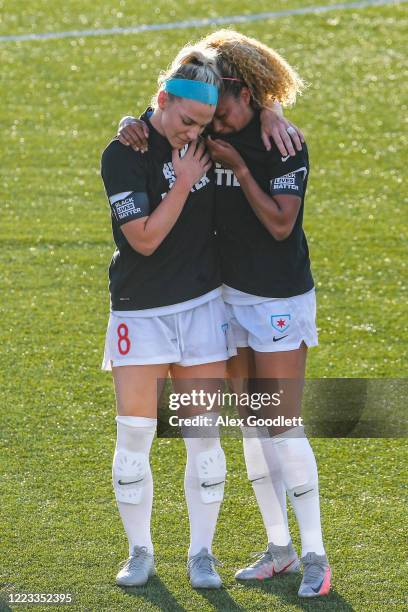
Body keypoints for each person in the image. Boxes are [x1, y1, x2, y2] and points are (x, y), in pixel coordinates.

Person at [118, 30, 331, 599]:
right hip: (224, 301)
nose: (210, 122)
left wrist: (245, 151)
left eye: (222, 108)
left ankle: (316, 554)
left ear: (249, 92)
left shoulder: (277, 140)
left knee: (283, 424)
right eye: (206, 115)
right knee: (252, 426)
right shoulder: (208, 128)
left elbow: (282, 225)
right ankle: (279, 547)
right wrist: (130, 122)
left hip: (279, 299)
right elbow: (170, 108)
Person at [101, 44, 233, 590]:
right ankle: (140, 551)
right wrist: (182, 183)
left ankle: (201, 555)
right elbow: (146, 240)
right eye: (185, 121)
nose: (192, 133)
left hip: (203, 310)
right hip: (141, 312)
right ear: (162, 100)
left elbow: (251, 97)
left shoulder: (204, 140)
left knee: (204, 443)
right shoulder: (122, 153)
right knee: (134, 442)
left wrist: (270, 112)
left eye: (202, 124)